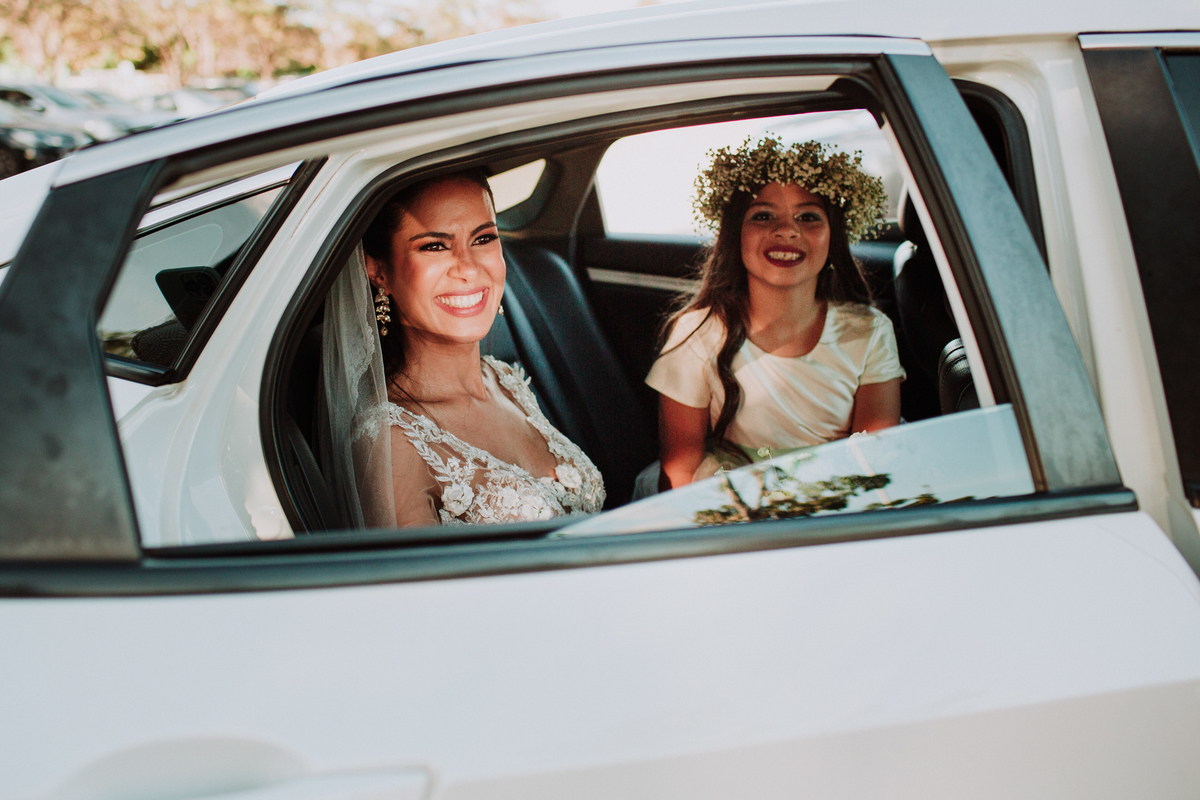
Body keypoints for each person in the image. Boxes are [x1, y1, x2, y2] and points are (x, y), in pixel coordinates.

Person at [323, 169, 604, 527]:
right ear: (379, 270)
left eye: (483, 238)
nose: (469, 268)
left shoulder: (504, 380)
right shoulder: (391, 442)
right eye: (434, 246)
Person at [646, 137, 904, 491]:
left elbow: (874, 460)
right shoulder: (698, 334)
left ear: (834, 239)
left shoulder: (869, 332)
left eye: (808, 217)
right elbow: (682, 470)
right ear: (735, 235)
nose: (786, 230)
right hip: (730, 502)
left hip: (837, 500)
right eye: (763, 216)